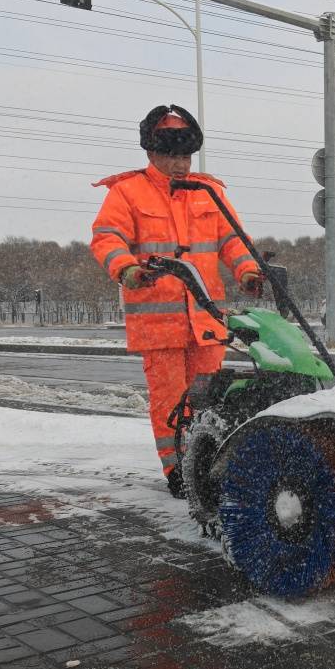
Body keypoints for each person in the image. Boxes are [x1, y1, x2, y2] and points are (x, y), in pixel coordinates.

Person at [90, 104, 263, 497]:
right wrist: (127, 269)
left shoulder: (208, 192)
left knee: (211, 398)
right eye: (171, 156)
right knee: (171, 400)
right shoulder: (127, 193)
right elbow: (107, 238)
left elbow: (233, 240)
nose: (180, 164)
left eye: (185, 156)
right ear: (152, 153)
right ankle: (178, 471)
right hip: (158, 324)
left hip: (205, 321)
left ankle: (211, 462)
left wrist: (248, 272)